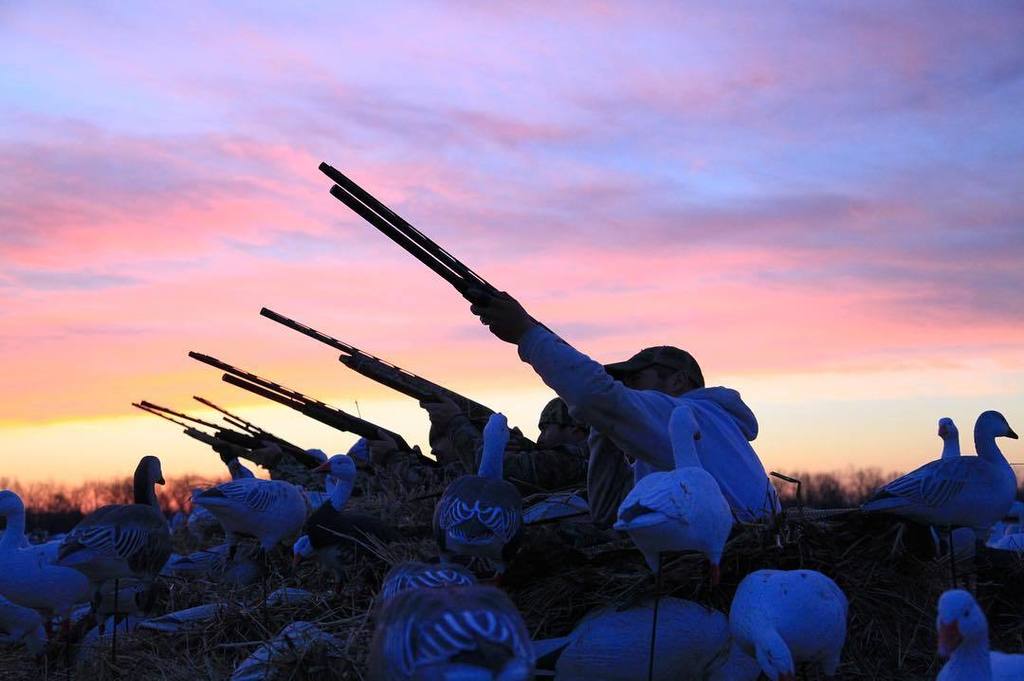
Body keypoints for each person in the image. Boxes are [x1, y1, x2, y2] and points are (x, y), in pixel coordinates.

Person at [465, 289, 779, 528]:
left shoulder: (690, 416)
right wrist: (604, 426)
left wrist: (527, 334)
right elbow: (607, 514)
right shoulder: (665, 451)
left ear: (678, 381)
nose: (627, 390)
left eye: (636, 378)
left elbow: (597, 396)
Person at [421, 396, 588, 493]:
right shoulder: (589, 457)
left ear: (574, 428)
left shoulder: (577, 460)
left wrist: (455, 423)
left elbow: (494, 472)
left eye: (545, 429)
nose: (541, 438)